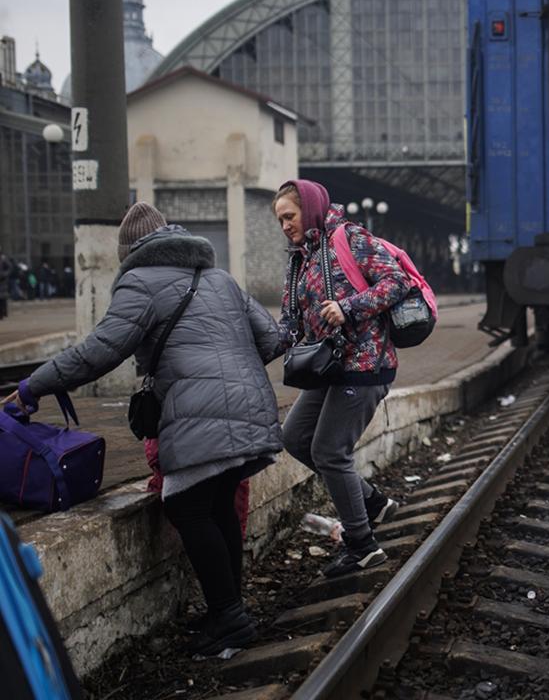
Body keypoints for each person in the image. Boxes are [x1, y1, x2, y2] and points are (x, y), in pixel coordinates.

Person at [4, 202, 283, 657]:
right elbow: (270, 340)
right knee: (215, 506)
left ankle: (230, 617)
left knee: (188, 506)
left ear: (129, 250)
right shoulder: (220, 278)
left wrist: (34, 386)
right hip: (253, 409)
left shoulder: (140, 280)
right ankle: (227, 610)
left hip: (203, 414)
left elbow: (99, 351)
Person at [274, 179, 408, 578]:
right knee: (295, 438)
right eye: (279, 219)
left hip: (366, 365)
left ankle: (362, 545)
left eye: (290, 216)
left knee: (331, 452)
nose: (284, 225)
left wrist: (348, 307)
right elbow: (288, 321)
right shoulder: (300, 258)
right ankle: (371, 504)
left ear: (310, 209)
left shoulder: (348, 238)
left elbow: (396, 281)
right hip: (329, 367)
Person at [0, 252, 11, 319]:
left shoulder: (3, 259)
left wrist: (4, 274)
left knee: (2, 300)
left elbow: (10, 267)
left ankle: (3, 313)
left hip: (2, 282)